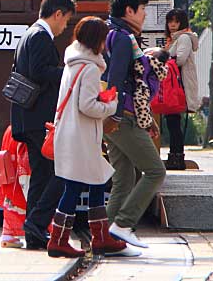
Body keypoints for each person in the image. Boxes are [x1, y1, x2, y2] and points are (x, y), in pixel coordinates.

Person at [47, 17, 138, 258]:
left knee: (95, 182)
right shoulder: (88, 68)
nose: (106, 44)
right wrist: (110, 105)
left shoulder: (73, 62)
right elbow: (87, 106)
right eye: (104, 39)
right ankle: (61, 240)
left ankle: (99, 237)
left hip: (73, 134)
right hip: (81, 138)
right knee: (75, 187)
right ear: (96, 40)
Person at [9, 0, 76, 249]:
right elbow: (39, 72)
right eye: (66, 20)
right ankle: (36, 223)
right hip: (38, 117)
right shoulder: (40, 37)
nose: (65, 27)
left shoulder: (29, 34)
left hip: (28, 116)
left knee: (42, 173)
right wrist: (70, 72)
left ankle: (34, 232)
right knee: (62, 170)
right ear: (57, 14)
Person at [101, 0, 165, 250]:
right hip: (122, 116)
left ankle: (106, 236)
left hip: (110, 116)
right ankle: (123, 224)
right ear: (129, 10)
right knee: (155, 171)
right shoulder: (124, 38)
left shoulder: (109, 32)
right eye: (142, 10)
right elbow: (116, 78)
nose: (144, 15)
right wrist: (115, 114)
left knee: (124, 178)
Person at [164, 8, 199, 170]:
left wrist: (160, 59)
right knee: (173, 123)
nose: (172, 24)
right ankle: (175, 156)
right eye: (170, 21)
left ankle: (176, 157)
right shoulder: (174, 39)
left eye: (176, 21)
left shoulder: (183, 38)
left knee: (174, 123)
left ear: (182, 23)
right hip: (175, 86)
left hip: (178, 86)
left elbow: (179, 60)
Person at [0, 126, 30, 249]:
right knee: (32, 199)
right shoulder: (30, 127)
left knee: (11, 201)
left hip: (10, 174)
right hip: (24, 172)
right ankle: (46, 231)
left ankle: (8, 234)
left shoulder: (11, 129)